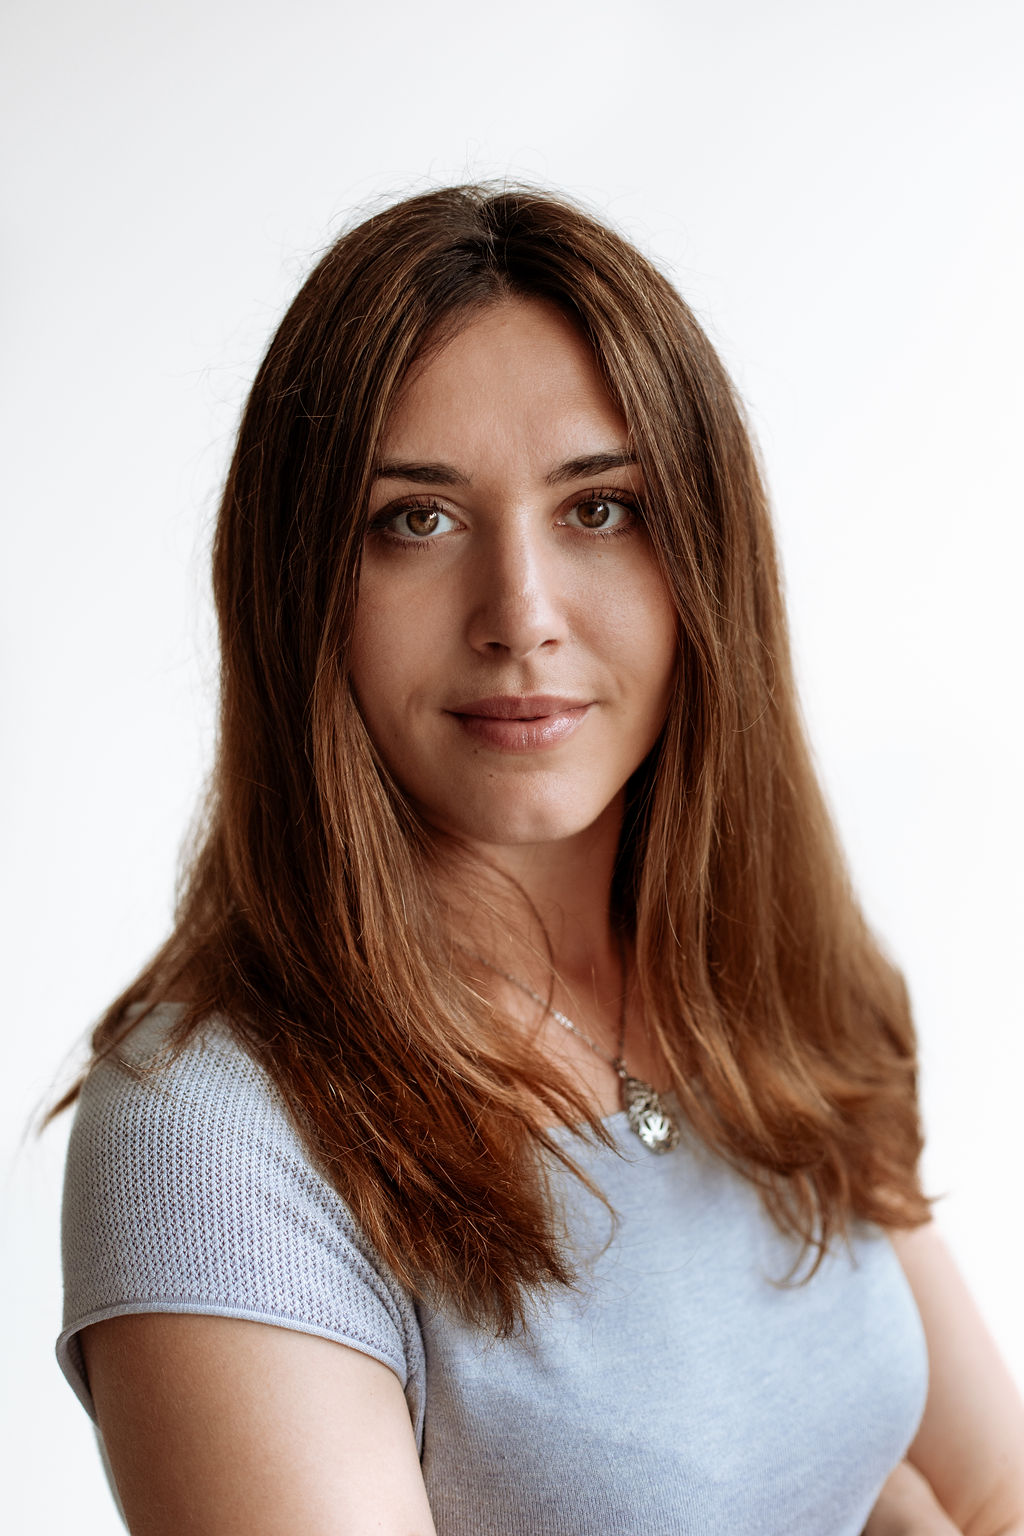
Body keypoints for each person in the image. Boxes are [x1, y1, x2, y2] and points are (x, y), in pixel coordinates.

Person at [54, 185, 1023, 1535]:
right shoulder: (217, 1139)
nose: (520, 615)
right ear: (298, 590)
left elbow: (991, 1483)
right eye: (416, 520)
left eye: (602, 509)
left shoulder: (767, 973)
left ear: (706, 564)